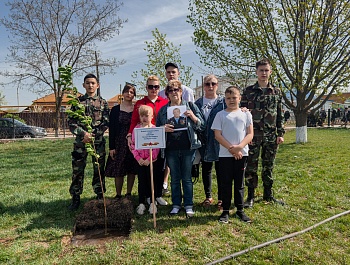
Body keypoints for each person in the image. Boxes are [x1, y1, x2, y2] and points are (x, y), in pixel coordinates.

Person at [156, 80, 205, 217]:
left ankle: (189, 205)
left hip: (188, 148)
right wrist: (162, 129)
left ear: (181, 92)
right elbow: (156, 129)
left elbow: (202, 126)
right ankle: (176, 204)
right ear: (167, 94)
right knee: (175, 178)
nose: (174, 93)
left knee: (187, 178)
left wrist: (193, 117)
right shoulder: (163, 111)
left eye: (176, 90)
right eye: (170, 91)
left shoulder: (190, 106)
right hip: (171, 149)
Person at [241, 58, 285, 208]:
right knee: (251, 166)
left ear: (270, 72)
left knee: (268, 166)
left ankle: (268, 194)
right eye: (261, 70)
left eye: (266, 70)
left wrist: (281, 133)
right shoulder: (248, 92)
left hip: (271, 136)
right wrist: (245, 136)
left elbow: (280, 114)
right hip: (253, 136)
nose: (264, 73)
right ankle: (251, 196)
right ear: (256, 72)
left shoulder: (277, 91)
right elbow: (242, 116)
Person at [212, 86, 254, 223]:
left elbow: (250, 133)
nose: (231, 100)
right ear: (224, 99)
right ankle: (225, 211)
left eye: (234, 98)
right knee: (226, 183)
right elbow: (217, 135)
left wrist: (240, 147)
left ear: (239, 98)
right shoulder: (220, 115)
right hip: (225, 155)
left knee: (239, 183)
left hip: (242, 154)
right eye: (228, 98)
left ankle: (240, 210)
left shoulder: (246, 114)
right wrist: (232, 149)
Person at [68, 74, 109, 210]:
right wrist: (83, 134)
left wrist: (94, 134)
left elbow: (105, 122)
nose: (90, 85)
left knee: (98, 169)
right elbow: (71, 122)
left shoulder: (103, 103)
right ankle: (75, 197)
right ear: (83, 85)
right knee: (78, 170)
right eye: (87, 83)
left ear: (97, 85)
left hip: (97, 142)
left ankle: (99, 194)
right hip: (81, 143)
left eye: (93, 83)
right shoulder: (77, 102)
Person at [126, 75, 168, 206]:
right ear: (146, 87)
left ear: (159, 88)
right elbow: (133, 121)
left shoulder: (165, 102)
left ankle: (158, 194)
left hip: (159, 141)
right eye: (151, 87)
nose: (153, 89)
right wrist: (129, 135)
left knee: (159, 169)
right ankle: (147, 197)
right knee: (144, 173)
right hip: (143, 144)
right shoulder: (140, 103)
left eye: (156, 87)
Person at [159, 62, 195, 195]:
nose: (171, 74)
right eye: (168, 72)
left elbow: (192, 110)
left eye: (173, 72)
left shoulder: (188, 91)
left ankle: (187, 200)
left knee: (186, 174)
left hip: (185, 138)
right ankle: (165, 184)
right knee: (169, 164)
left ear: (178, 73)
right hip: (170, 136)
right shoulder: (162, 92)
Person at [194, 74, 226, 209]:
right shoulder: (197, 103)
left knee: (221, 170)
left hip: (219, 140)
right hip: (204, 141)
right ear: (203, 86)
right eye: (207, 84)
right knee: (206, 169)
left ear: (217, 86)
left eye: (213, 84)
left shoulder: (223, 102)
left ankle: (221, 198)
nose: (210, 86)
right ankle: (208, 196)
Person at [105, 83, 138, 200]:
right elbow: (112, 129)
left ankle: (128, 193)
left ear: (134, 95)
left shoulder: (137, 109)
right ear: (123, 93)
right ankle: (118, 194)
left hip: (133, 142)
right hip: (119, 142)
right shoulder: (115, 110)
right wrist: (111, 147)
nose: (129, 94)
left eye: (132, 92)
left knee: (132, 169)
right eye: (127, 91)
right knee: (118, 168)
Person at [131, 105, 160, 215]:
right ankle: (141, 203)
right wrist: (138, 158)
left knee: (152, 181)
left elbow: (157, 147)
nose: (144, 118)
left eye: (146, 116)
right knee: (141, 181)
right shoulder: (136, 130)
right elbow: (133, 146)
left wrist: (149, 159)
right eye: (142, 116)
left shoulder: (154, 130)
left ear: (151, 116)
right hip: (140, 161)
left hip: (151, 161)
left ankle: (153, 203)